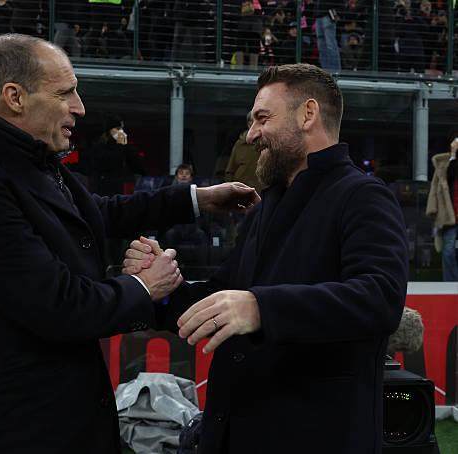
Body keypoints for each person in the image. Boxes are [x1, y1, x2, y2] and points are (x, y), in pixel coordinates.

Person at [0, 34, 257, 453]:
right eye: (65, 93)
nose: (79, 107)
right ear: (14, 97)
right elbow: (59, 306)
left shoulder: (21, 156)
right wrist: (146, 285)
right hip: (16, 434)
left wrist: (197, 199)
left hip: (56, 423)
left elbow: (96, 211)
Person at [123, 63, 409, 454]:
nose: (251, 134)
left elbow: (380, 298)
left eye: (262, 118)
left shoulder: (363, 196)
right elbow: (223, 299)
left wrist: (261, 308)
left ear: (308, 114)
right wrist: (159, 288)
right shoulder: (265, 208)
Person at [426, 133, 458, 281]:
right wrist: (453, 154)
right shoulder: (446, 165)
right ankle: (451, 284)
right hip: (451, 217)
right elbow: (445, 179)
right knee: (448, 251)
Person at [225, 111, 264, 191]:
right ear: (249, 123)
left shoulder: (266, 143)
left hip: (261, 192)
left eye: (259, 120)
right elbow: (230, 171)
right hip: (241, 191)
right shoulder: (240, 144)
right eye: (252, 121)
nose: (255, 124)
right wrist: (231, 190)